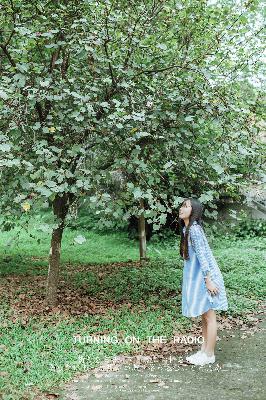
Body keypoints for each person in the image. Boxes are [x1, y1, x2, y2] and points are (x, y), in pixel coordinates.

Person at [178, 197, 228, 366]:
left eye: (186, 206)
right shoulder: (187, 229)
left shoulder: (194, 230)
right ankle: (203, 350)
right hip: (197, 277)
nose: (182, 209)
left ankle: (209, 354)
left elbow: (203, 257)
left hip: (205, 277)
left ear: (194, 211)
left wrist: (208, 280)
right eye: (182, 206)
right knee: (204, 315)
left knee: (209, 316)